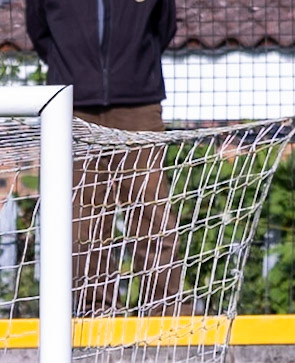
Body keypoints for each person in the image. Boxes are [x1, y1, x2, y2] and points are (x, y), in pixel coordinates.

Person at [26, 0, 182, 313]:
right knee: (82, 220)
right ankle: (96, 310)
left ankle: (163, 308)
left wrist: (131, 72)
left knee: (151, 212)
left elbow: (163, 27)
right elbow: (40, 32)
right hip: (71, 106)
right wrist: (78, 74)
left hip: (138, 106)